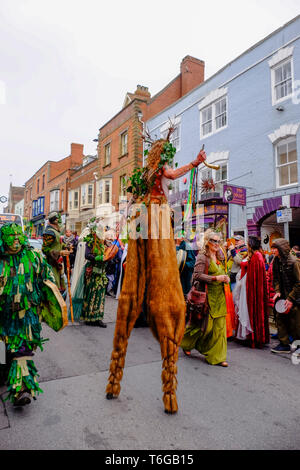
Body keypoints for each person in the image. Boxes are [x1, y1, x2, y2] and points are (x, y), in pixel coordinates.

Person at [106, 133, 207, 414]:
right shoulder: (161, 169)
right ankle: (169, 393)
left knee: (139, 270)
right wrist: (194, 163)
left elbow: (135, 197)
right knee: (162, 270)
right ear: (162, 155)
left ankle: (113, 380)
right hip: (158, 218)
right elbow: (174, 174)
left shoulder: (145, 173)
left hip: (141, 218)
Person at [0, 223, 65, 406]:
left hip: (26, 317)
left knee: (23, 350)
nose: (15, 239)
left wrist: (53, 302)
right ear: (3, 239)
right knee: (1, 353)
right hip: (2, 318)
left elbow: (47, 281)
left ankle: (22, 390)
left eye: (18, 235)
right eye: (10, 236)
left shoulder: (33, 257)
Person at [181, 229, 230, 367]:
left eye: (218, 241)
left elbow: (223, 271)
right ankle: (186, 343)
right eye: (213, 241)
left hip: (219, 297)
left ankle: (218, 357)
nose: (216, 243)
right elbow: (196, 275)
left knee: (219, 328)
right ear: (207, 242)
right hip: (206, 298)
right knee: (202, 327)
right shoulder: (203, 257)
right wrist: (215, 278)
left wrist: (225, 277)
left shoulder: (221, 255)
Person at [270, 238, 300, 354]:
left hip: (295, 296)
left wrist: (291, 298)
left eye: (274, 248)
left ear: (281, 249)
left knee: (296, 323)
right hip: (283, 295)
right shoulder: (276, 261)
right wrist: (277, 291)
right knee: (280, 318)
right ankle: (284, 344)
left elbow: (299, 283)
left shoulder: (294, 262)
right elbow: (276, 278)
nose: (272, 251)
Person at [81, 219, 109, 328]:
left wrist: (107, 257)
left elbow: (107, 254)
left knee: (100, 295)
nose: (103, 231)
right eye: (101, 229)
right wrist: (97, 257)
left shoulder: (103, 242)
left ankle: (98, 318)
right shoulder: (90, 241)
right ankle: (89, 317)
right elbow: (87, 255)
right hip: (92, 272)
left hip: (101, 272)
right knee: (91, 294)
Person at [246, 236, 269, 348]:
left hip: (256, 292)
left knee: (257, 311)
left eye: (247, 244)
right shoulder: (255, 255)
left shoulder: (257, 256)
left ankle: (258, 338)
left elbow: (257, 278)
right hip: (252, 290)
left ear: (250, 245)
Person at [42, 212, 70, 293]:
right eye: (58, 219)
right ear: (55, 220)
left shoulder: (56, 231)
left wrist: (66, 247)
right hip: (51, 265)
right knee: (54, 287)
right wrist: (59, 253)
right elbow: (45, 249)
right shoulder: (49, 232)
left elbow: (57, 243)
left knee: (60, 287)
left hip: (58, 263)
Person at [175, 231, 196, 298]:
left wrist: (182, 265)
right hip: (173, 275)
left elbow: (192, 262)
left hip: (184, 276)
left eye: (183, 235)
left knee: (183, 294)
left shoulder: (187, 246)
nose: (182, 236)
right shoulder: (170, 246)